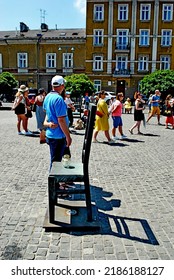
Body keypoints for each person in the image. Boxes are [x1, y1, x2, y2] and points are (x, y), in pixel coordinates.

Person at [43, 75, 72, 171]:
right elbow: (61, 120)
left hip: (51, 134)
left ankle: (60, 182)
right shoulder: (58, 99)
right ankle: (55, 183)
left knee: (58, 159)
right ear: (62, 85)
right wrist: (68, 136)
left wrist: (47, 123)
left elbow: (46, 113)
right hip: (58, 135)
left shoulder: (47, 97)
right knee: (56, 162)